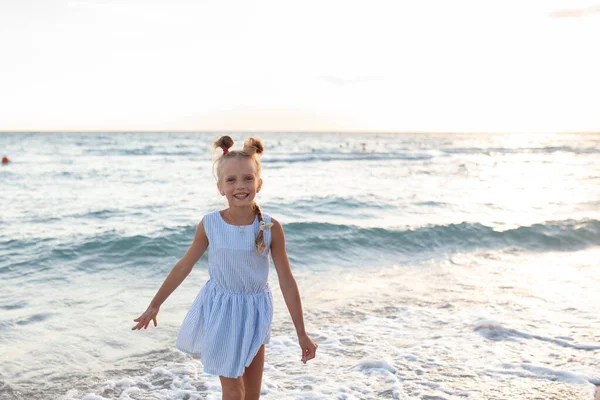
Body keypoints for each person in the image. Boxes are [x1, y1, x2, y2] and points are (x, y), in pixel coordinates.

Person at [131, 135, 318, 400]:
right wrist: (155, 304)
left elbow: (287, 280)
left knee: (251, 395)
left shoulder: (270, 227)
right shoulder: (210, 224)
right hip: (221, 310)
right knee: (233, 389)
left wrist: (302, 333)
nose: (240, 186)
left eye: (247, 178)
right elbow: (184, 266)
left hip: (256, 312)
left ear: (259, 184)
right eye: (231, 180)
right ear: (220, 187)